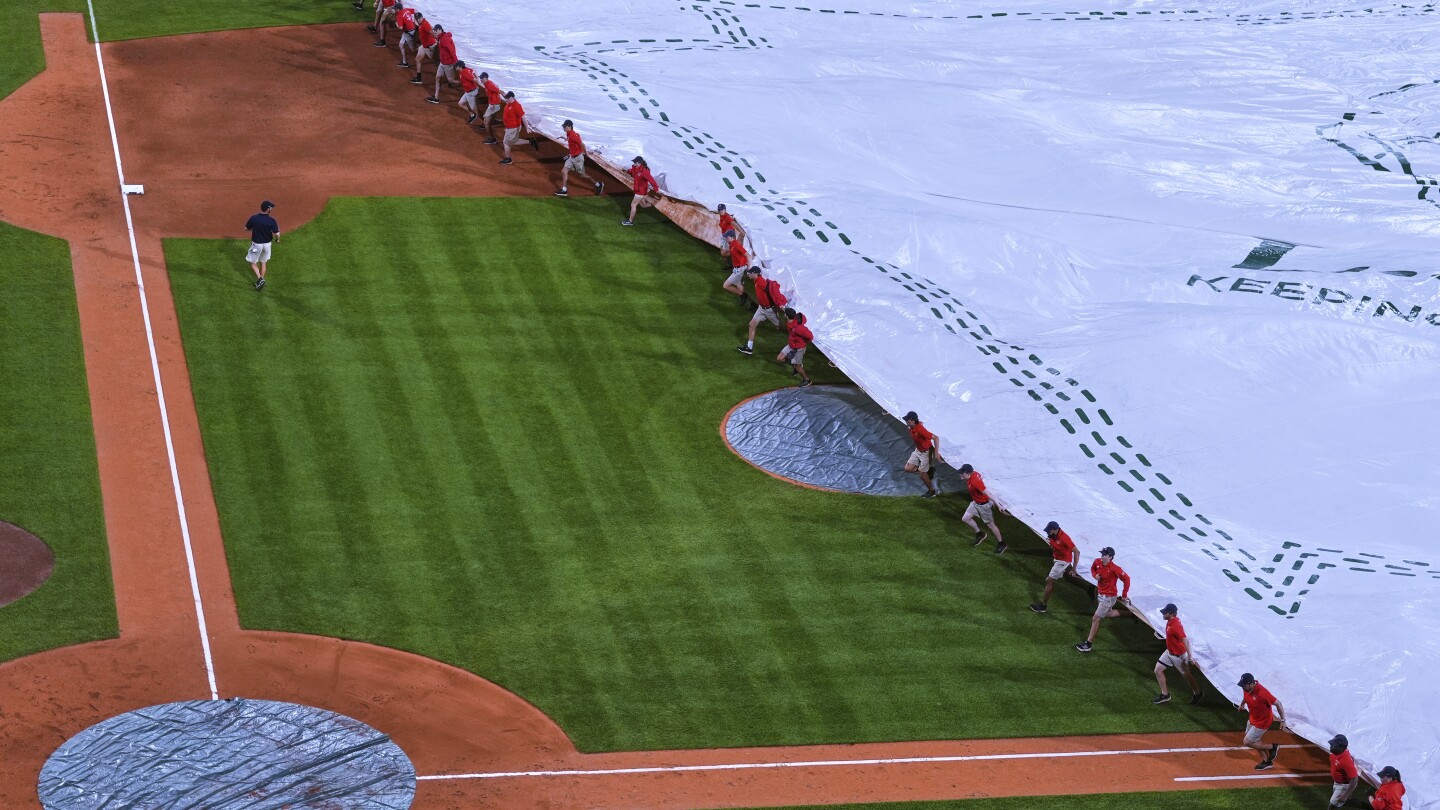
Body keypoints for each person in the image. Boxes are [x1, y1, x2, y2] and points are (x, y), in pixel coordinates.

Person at [1075, 546, 1129, 652]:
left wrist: (1124, 594)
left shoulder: (1115, 568)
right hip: (1101, 594)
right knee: (1108, 613)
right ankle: (1131, 615)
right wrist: (1095, 575)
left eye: (1105, 555)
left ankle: (1088, 644)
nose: (1102, 556)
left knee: (1096, 618)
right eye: (1102, 554)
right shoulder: (1097, 561)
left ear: (1110, 557)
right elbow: (1092, 569)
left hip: (1109, 597)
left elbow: (1126, 579)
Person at [1152, 603, 1203, 705]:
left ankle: (1198, 693)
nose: (1163, 614)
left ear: (1171, 614)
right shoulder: (1171, 621)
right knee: (1157, 670)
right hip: (1169, 652)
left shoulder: (1175, 626)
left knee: (1187, 676)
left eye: (1165, 613)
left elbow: (1186, 641)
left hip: (1179, 656)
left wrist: (1190, 657)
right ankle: (1165, 695)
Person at [1236, 672, 1286, 770]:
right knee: (1253, 740)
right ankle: (1267, 761)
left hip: (1263, 722)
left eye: (1244, 685)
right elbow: (1245, 697)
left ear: (1251, 684)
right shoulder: (1246, 688)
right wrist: (1242, 704)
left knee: (1247, 742)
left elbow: (1278, 704)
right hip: (1253, 718)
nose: (1243, 687)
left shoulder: (1263, 693)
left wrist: (1283, 720)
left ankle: (1273, 747)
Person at [736, 266, 786, 355]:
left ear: (755, 274)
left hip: (769, 311)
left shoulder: (761, 282)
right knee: (752, 324)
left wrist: (779, 303)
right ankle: (749, 348)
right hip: (761, 308)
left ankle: (796, 337)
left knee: (780, 328)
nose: (748, 274)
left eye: (750, 272)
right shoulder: (756, 280)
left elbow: (773, 290)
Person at [1029, 521, 1077, 613]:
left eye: (1049, 531)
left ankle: (1043, 606)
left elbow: (1076, 552)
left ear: (1055, 530)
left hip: (1063, 561)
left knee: (1049, 580)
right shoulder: (1053, 535)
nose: (1048, 532)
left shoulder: (1064, 538)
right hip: (1058, 559)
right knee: (1067, 576)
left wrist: (1074, 569)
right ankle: (1089, 589)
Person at [960, 464, 1004, 553]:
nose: (960, 474)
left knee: (991, 525)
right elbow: (981, 476)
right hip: (975, 502)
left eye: (962, 473)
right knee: (965, 518)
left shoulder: (975, 482)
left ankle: (1002, 544)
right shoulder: (973, 474)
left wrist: (998, 505)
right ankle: (980, 534)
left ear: (967, 473)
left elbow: (988, 494)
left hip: (984, 505)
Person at [554, 120, 604, 197]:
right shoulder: (569, 134)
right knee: (564, 171)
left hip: (578, 158)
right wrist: (565, 138)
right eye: (563, 126)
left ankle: (598, 184)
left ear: (569, 126)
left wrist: (586, 154)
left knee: (583, 175)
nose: (563, 128)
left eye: (565, 126)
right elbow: (571, 140)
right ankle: (564, 190)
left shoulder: (573, 135)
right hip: (572, 157)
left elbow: (582, 145)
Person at [902, 412, 942, 498]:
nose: (906, 421)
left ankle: (932, 491)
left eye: (907, 420)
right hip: (918, 450)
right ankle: (929, 471)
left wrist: (936, 453)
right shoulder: (911, 426)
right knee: (908, 468)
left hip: (926, 453)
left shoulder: (920, 430)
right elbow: (919, 423)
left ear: (913, 420)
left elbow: (936, 438)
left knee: (922, 475)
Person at [244, 200, 280, 291]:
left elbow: (246, 228)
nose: (271, 209)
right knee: (263, 262)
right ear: (268, 209)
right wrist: (277, 239)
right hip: (267, 245)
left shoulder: (254, 218)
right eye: (270, 207)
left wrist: (254, 229)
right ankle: (260, 281)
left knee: (252, 263)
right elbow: (277, 234)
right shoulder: (271, 220)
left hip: (257, 245)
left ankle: (260, 279)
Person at [498, 91, 540, 165]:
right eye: (506, 98)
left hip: (513, 128)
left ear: (512, 97)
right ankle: (531, 142)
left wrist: (527, 128)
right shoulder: (509, 102)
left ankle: (508, 159)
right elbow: (504, 96)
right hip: (510, 128)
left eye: (508, 98)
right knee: (513, 141)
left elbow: (523, 117)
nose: (506, 99)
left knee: (506, 142)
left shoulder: (516, 106)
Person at [621, 156, 660, 226]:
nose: (633, 162)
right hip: (638, 191)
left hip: (640, 192)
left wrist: (656, 189)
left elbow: (652, 180)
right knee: (643, 206)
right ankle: (653, 203)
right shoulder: (635, 168)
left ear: (639, 163)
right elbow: (632, 171)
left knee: (633, 204)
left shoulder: (644, 172)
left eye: (635, 161)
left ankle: (630, 221)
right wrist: (626, 170)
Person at [779, 308, 813, 387]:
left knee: (797, 367)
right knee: (780, 358)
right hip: (791, 346)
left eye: (785, 313)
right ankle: (796, 365)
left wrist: (803, 343)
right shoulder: (790, 322)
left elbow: (810, 336)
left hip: (799, 349)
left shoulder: (799, 328)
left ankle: (807, 380)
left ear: (787, 316)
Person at [425, 26, 458, 102]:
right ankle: (436, 97)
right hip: (442, 63)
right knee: (437, 78)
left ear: (440, 30)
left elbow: (452, 51)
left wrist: (455, 62)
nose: (435, 32)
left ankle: (465, 84)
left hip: (448, 63)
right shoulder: (441, 38)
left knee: (451, 81)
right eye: (434, 31)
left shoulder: (444, 39)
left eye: (436, 31)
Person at [1327, 734, 1360, 809]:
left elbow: (1355, 779)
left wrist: (1346, 794)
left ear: (1341, 747)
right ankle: (1367, 807)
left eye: (1334, 745)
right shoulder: (1336, 752)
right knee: (1343, 801)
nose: (1331, 746)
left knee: (1333, 806)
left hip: (1344, 785)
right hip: (1338, 783)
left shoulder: (1345, 760)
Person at [721, 236, 752, 307]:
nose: (726, 238)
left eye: (727, 237)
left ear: (731, 237)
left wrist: (749, 268)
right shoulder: (731, 245)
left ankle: (742, 295)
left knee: (725, 286)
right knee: (739, 287)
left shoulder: (736, 244)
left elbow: (748, 255)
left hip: (740, 270)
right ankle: (752, 304)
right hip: (737, 269)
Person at [409, 13, 436, 85]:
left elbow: (432, 32)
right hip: (424, 46)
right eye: (416, 19)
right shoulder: (421, 23)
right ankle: (418, 78)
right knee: (417, 59)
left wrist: (439, 40)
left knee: (437, 62)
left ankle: (450, 77)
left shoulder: (424, 24)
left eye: (418, 19)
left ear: (421, 18)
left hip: (430, 47)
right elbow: (431, 28)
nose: (417, 20)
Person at [478, 72, 503, 140]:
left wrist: (508, 98)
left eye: (482, 78)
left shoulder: (489, 85)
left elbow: (500, 91)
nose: (481, 80)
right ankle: (493, 122)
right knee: (490, 118)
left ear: (486, 78)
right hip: (493, 104)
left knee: (486, 121)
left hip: (494, 106)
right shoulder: (487, 83)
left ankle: (491, 138)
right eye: (480, 78)